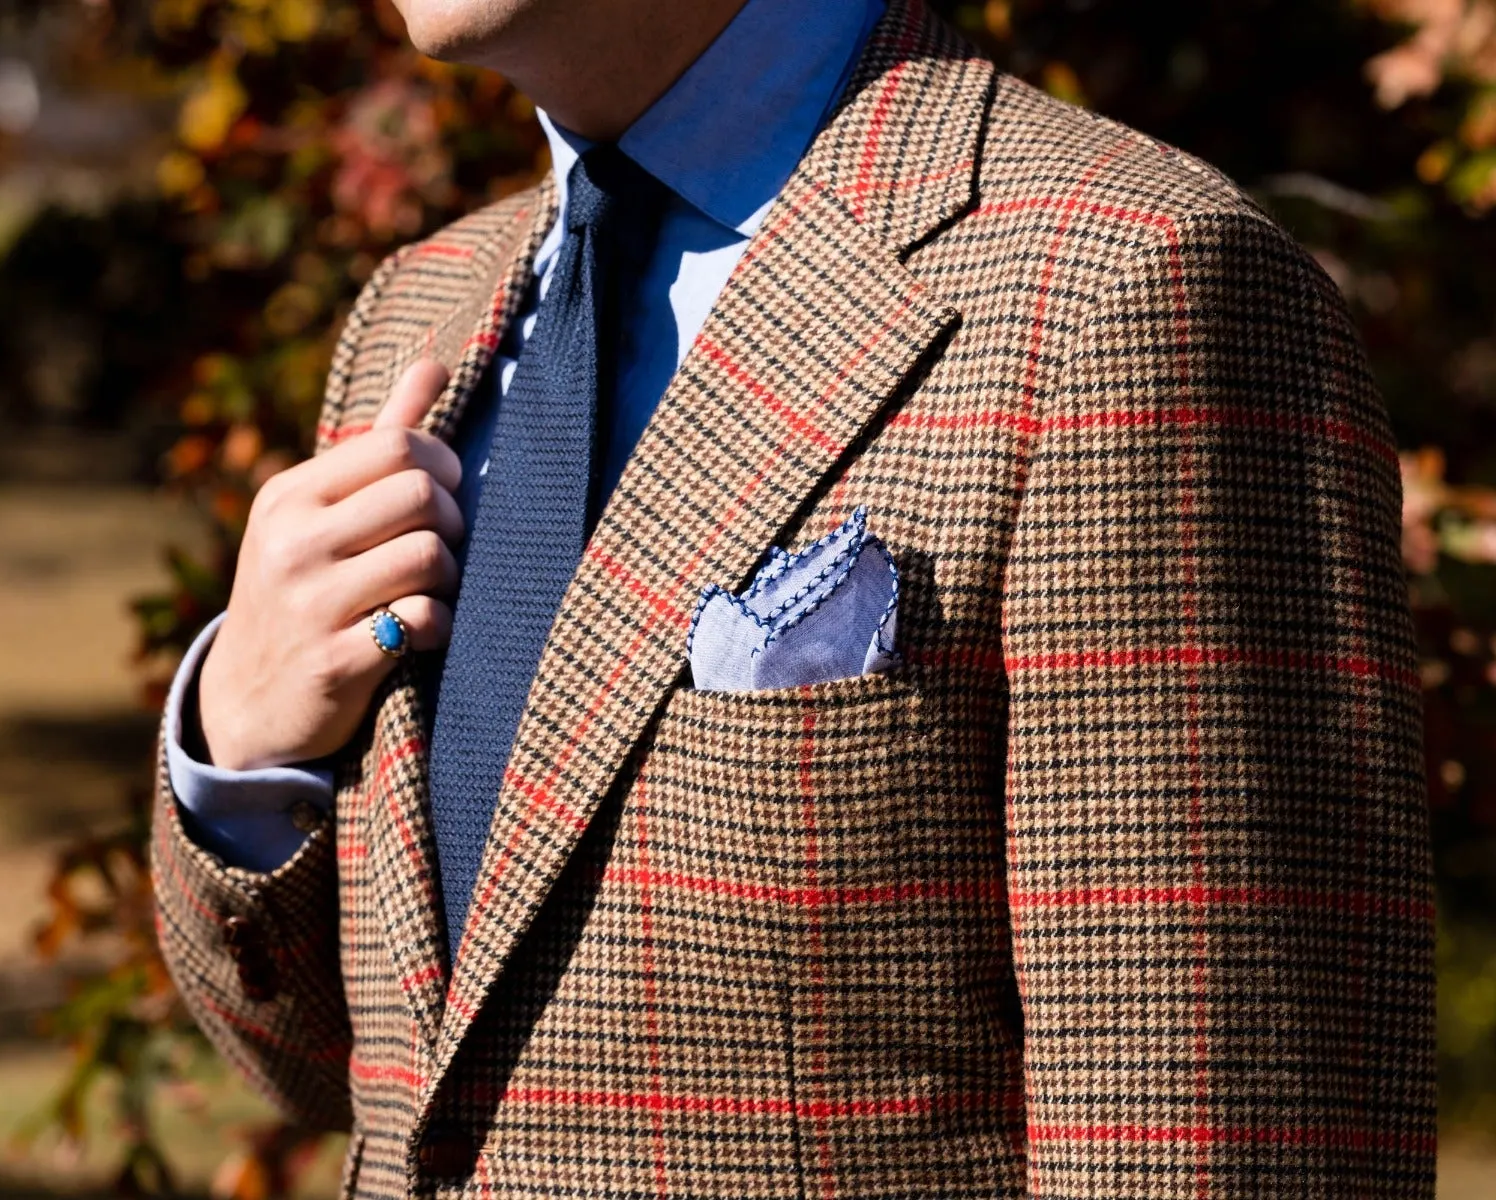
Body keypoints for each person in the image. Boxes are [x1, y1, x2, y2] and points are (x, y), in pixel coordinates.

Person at [150, 0, 1437, 1195]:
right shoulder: (419, 319)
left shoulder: (1127, 288)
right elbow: (346, 1076)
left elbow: (1216, 1142)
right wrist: (245, 753)